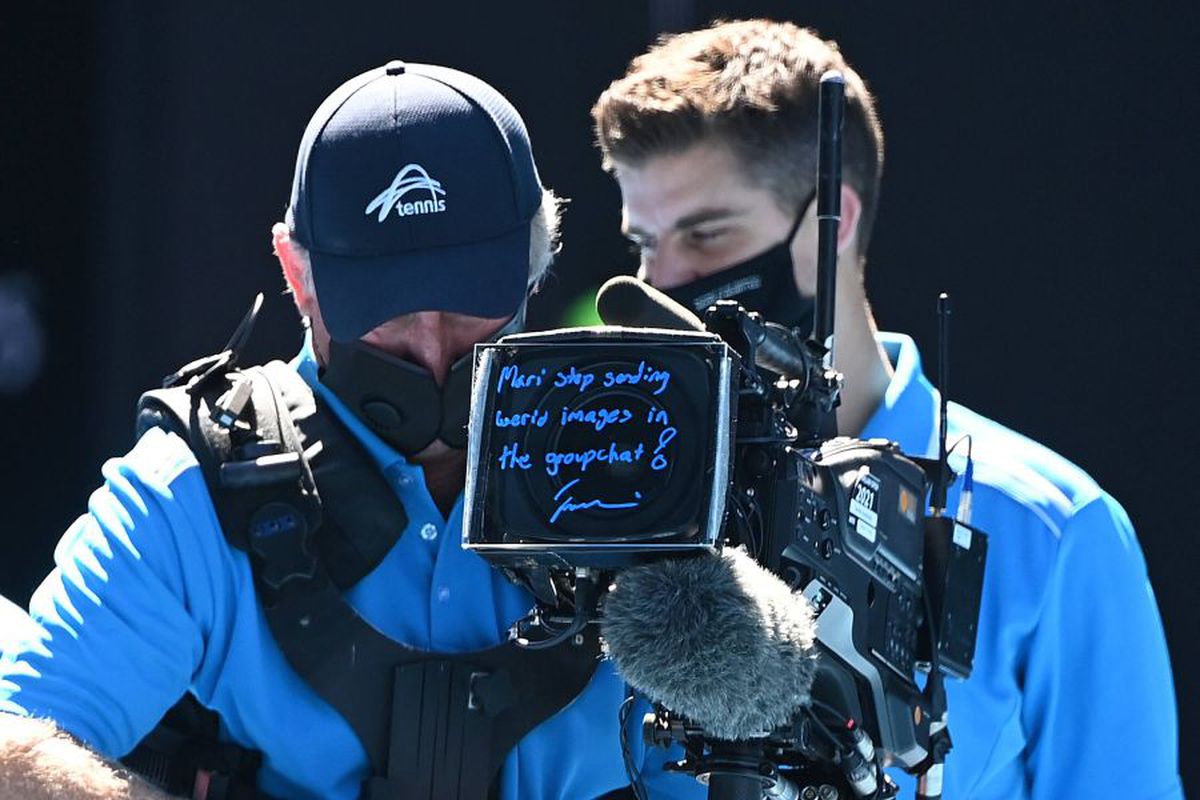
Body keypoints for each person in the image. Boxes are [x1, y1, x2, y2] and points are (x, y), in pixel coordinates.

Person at [0, 61, 650, 800]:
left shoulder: (645, 466)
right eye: (392, 311)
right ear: (297, 273)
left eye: (472, 305)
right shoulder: (194, 491)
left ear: (538, 262)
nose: (434, 353)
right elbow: (12, 753)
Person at [591, 18, 1182, 799]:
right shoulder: (610, 507)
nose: (660, 283)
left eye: (705, 235)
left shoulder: (1054, 531)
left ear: (833, 217)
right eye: (644, 243)